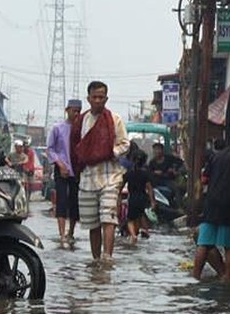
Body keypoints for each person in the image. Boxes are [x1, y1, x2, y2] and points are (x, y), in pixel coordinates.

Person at [70, 81, 129, 261]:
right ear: (88, 99)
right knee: (92, 222)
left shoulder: (114, 120)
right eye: (94, 97)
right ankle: (96, 260)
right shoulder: (81, 121)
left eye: (101, 97)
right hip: (87, 177)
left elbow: (125, 144)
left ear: (106, 98)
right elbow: (74, 148)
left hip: (109, 175)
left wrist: (110, 152)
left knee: (108, 217)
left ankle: (107, 258)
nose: (97, 100)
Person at [192, 127, 230, 280]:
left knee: (204, 243)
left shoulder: (217, 156)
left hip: (211, 203)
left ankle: (195, 277)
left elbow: (205, 178)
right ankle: (228, 279)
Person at [46, 98, 81, 248]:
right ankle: (62, 234)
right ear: (67, 110)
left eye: (79, 111)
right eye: (74, 111)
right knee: (61, 202)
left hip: (77, 171)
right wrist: (60, 164)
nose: (76, 114)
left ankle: (71, 232)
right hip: (61, 170)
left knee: (74, 203)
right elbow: (50, 149)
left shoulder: (81, 130)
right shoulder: (57, 128)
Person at [121, 149, 154, 243]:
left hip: (132, 198)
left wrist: (118, 198)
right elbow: (150, 188)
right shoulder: (145, 174)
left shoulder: (128, 174)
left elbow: (120, 187)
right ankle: (144, 230)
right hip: (143, 198)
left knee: (130, 219)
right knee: (141, 215)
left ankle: (133, 235)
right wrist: (152, 201)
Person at [148, 141, 184, 205]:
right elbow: (149, 172)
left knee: (177, 189)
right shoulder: (152, 162)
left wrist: (174, 169)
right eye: (155, 149)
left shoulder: (169, 158)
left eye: (158, 149)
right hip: (157, 181)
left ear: (162, 150)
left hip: (168, 180)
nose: (157, 151)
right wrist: (154, 172)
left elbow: (180, 162)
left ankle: (179, 206)